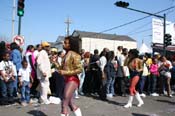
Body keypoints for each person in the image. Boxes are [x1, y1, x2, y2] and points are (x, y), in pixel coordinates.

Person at [58, 36, 83, 116]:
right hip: (66, 79)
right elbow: (62, 69)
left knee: (64, 101)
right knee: (70, 103)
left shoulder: (75, 55)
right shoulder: (65, 55)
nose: (63, 44)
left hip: (72, 79)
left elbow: (80, 69)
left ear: (70, 45)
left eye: (65, 43)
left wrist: (65, 72)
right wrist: (55, 63)